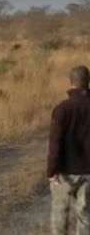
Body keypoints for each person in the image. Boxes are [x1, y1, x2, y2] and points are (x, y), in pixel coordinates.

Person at [48, 65, 90, 235]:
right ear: (88, 83)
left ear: (71, 82)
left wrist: (52, 170)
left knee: (60, 217)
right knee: (86, 218)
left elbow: (55, 142)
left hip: (65, 173)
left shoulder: (62, 109)